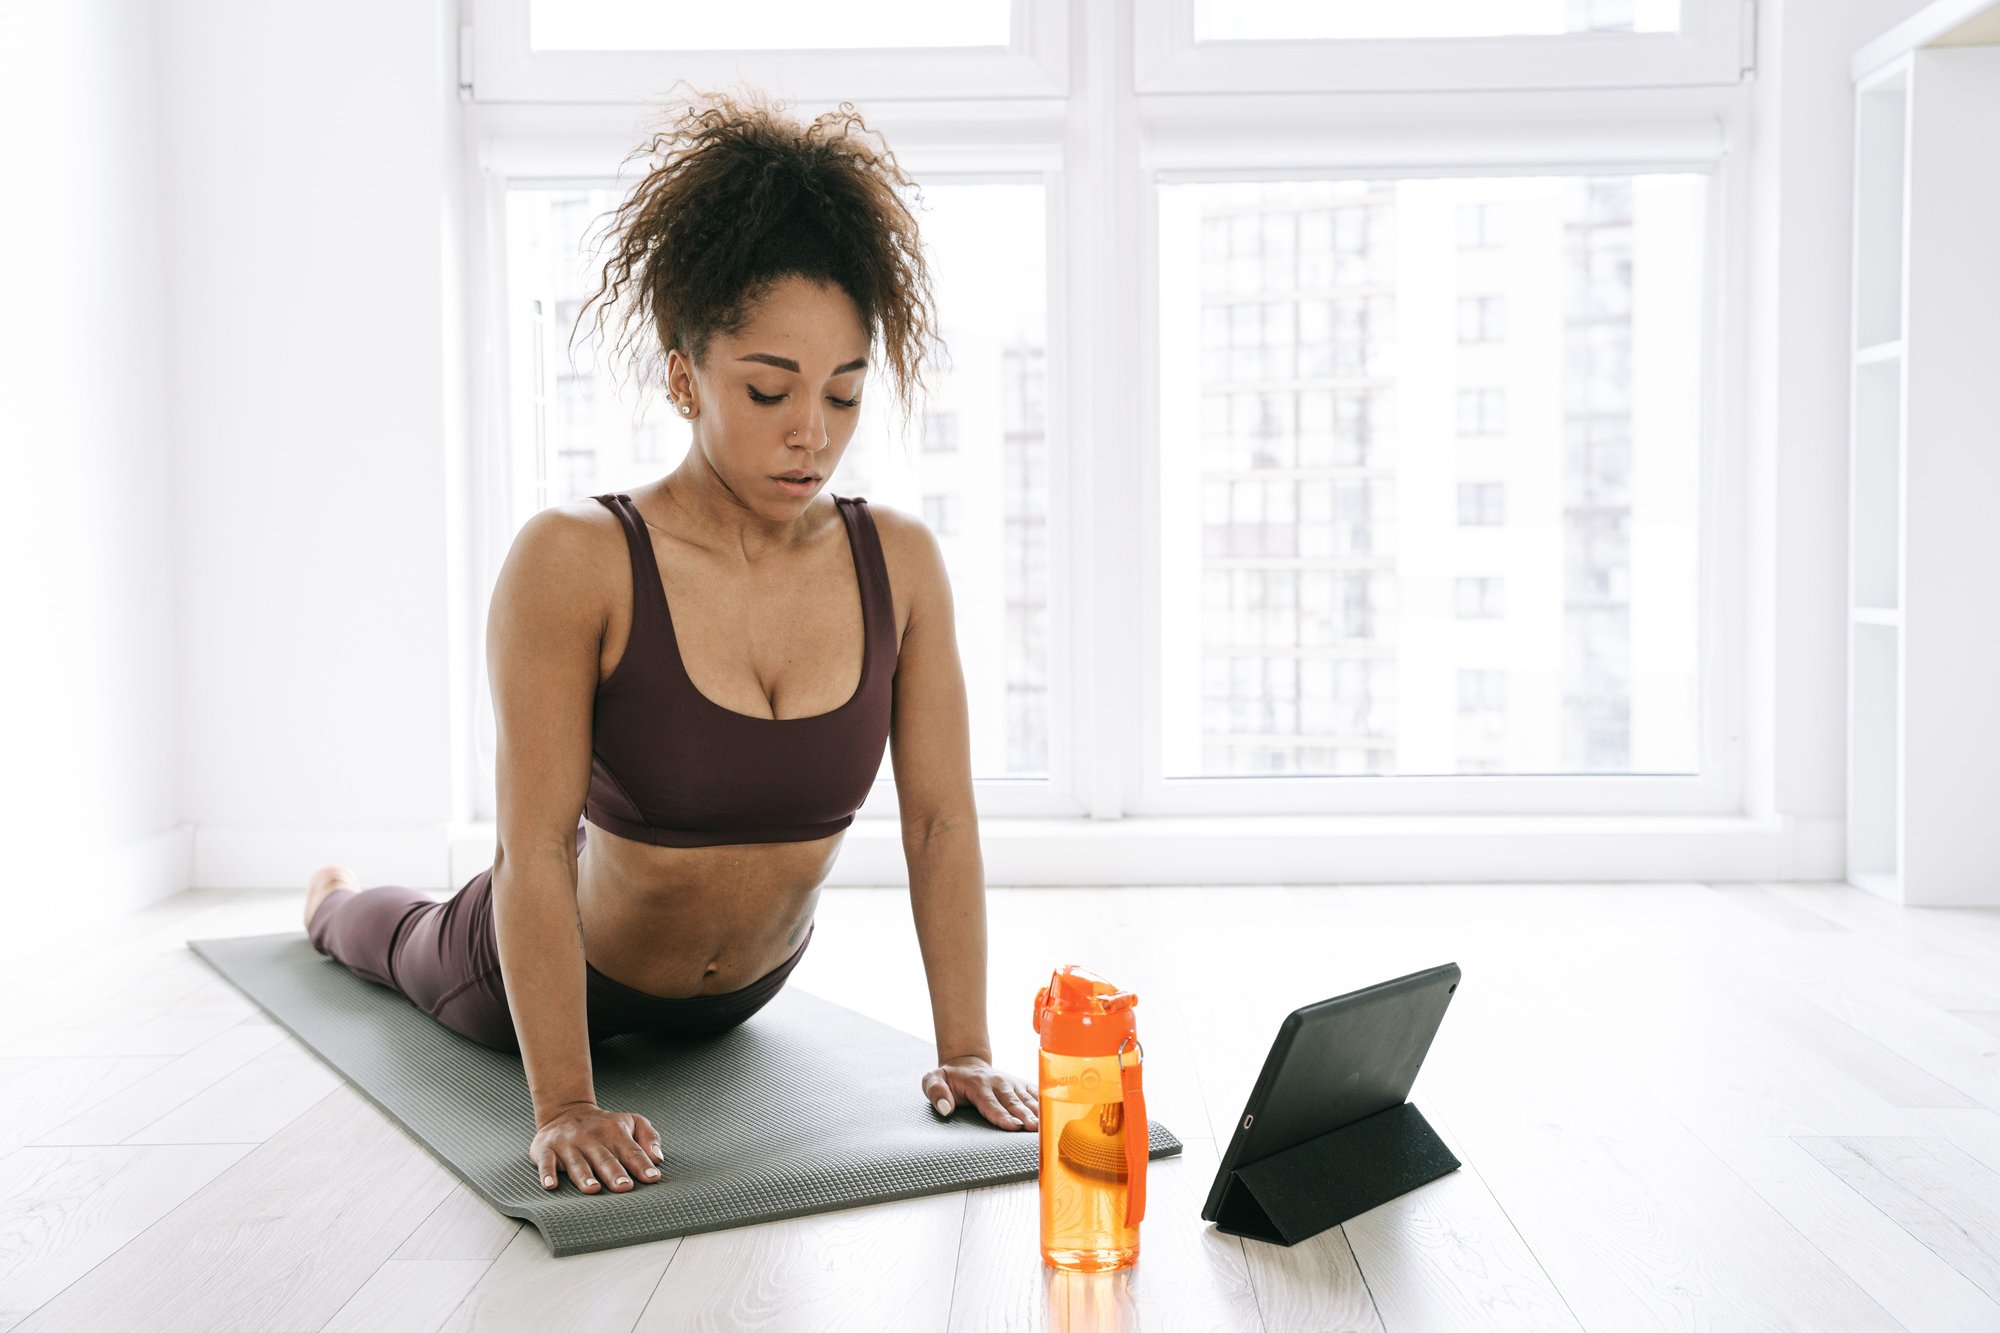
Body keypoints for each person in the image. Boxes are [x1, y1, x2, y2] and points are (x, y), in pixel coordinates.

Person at [302, 83, 1039, 1199]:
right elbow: (536, 852)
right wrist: (562, 1104)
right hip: (538, 983)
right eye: (768, 389)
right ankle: (328, 898)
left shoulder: (900, 563)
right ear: (683, 374)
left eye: (843, 395)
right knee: (391, 938)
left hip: (748, 990)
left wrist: (967, 1045)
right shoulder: (574, 557)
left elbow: (937, 821)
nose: (811, 433)